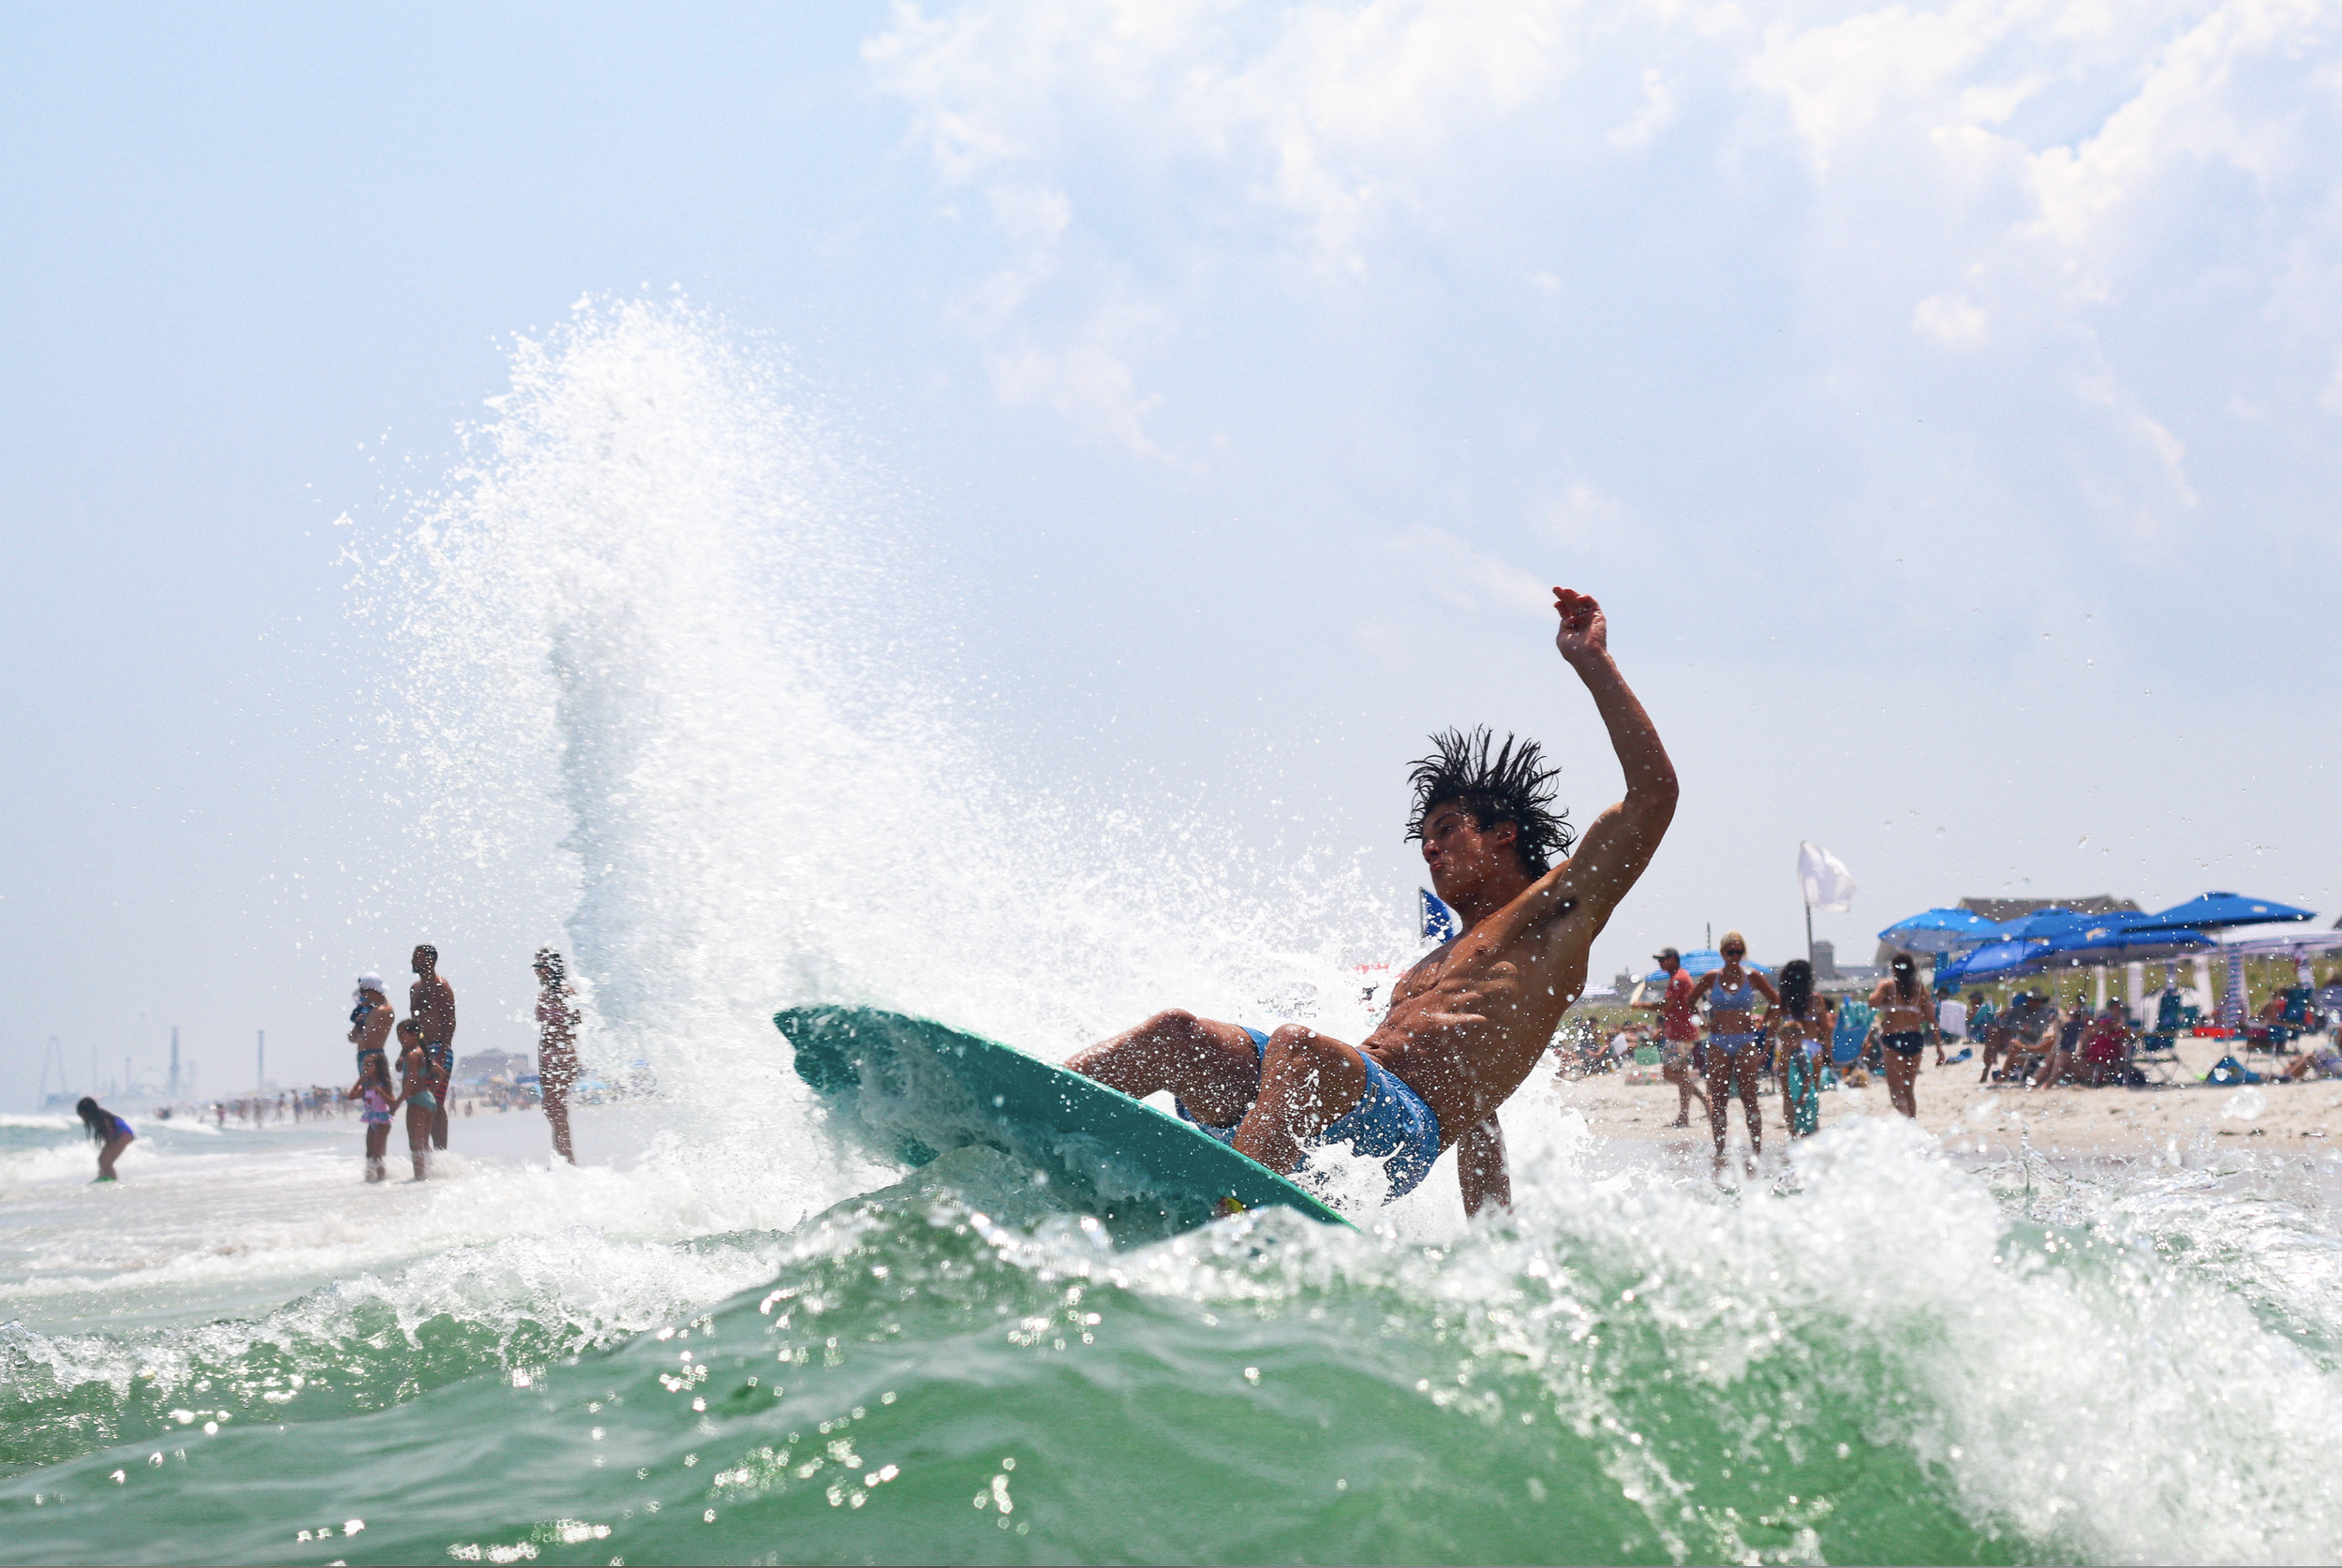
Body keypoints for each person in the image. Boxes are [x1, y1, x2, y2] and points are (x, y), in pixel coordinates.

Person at [1067, 587, 1676, 1217]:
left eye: (1447, 830)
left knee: (1300, 1045)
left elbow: (1653, 794)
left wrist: (1591, 661)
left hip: (1397, 1140)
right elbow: (1484, 1116)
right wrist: (1493, 1238)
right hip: (1317, 1118)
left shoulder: (1554, 918)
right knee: (1177, 1034)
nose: (1430, 849)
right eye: (1425, 837)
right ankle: (1033, 1112)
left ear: (1503, 835)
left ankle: (1219, 1224)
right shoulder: (1434, 966)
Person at [1690, 932, 1781, 1169]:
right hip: (1719, 1041)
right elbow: (1689, 1002)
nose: (1735, 956)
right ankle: (1720, 1151)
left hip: (1745, 1040)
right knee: (1719, 1099)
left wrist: (1763, 1023)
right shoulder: (1712, 978)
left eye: (1739, 952)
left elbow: (1776, 1001)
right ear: (1722, 953)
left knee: (1749, 1097)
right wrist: (1702, 1023)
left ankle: (1757, 1149)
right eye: (1731, 952)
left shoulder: (1752, 977)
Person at [1633, 945, 1709, 1128]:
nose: (1660, 963)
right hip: (1685, 1032)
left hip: (1679, 1034)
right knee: (1682, 1075)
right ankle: (1684, 1116)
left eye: (1663, 959)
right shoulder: (1680, 977)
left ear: (1674, 959)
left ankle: (1705, 1100)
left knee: (1669, 1073)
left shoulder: (1678, 979)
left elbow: (1666, 1005)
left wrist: (1640, 1005)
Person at [1768, 958, 1831, 1140]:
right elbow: (1825, 1028)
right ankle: (1812, 1127)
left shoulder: (1783, 1000)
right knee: (1812, 1090)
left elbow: (1773, 1027)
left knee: (1788, 1093)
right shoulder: (1815, 998)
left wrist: (1767, 1050)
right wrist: (1829, 1050)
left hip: (1788, 1049)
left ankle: (1792, 1130)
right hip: (1812, 1047)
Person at [1866, 952, 1934, 1117]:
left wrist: (1874, 993)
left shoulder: (1887, 985)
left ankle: (1905, 1126)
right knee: (1908, 1088)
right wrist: (1939, 1048)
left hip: (1894, 1038)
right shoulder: (1920, 990)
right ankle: (1911, 1122)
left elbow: (1872, 1002)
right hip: (1915, 1038)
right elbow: (1932, 1020)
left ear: (1893, 968)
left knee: (1896, 1089)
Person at [345, 972, 397, 1182]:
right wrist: (358, 1027)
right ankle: (373, 1165)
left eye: (365, 993)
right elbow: (353, 1038)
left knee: (377, 1108)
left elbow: (363, 1037)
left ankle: (377, 1164)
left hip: (373, 1056)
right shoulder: (373, 1010)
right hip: (366, 1055)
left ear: (371, 991)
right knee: (371, 1108)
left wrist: (360, 1027)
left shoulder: (382, 1010)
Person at [534, 948, 581, 1164]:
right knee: (551, 1109)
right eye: (536, 966)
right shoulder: (545, 994)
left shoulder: (566, 991)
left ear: (552, 967)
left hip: (562, 1053)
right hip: (547, 1055)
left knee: (557, 1108)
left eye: (541, 965)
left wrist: (566, 1042)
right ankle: (561, 1157)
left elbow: (578, 1019)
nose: (537, 970)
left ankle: (567, 1160)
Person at [409, 945, 458, 1151]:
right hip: (422, 1049)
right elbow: (415, 1024)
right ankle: (426, 1153)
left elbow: (450, 1021)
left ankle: (442, 1152)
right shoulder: (415, 988)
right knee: (421, 1103)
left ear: (430, 960)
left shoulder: (441, 986)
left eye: (417, 958)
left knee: (436, 1103)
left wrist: (442, 1052)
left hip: (439, 1048)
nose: (413, 961)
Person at [393, 1018, 437, 1180]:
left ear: (413, 1035)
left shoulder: (412, 1055)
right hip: (428, 1100)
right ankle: (432, 1175)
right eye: (398, 1035)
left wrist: (397, 1103)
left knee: (416, 1146)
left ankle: (420, 1178)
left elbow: (411, 1081)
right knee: (425, 1145)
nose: (399, 1039)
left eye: (402, 1035)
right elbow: (440, 1073)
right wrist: (429, 1092)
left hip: (417, 1102)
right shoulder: (422, 1052)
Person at [76, 1096, 134, 1181]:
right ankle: (104, 1178)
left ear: (85, 1112)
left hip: (124, 1135)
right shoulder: (97, 1116)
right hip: (119, 1135)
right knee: (102, 1159)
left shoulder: (101, 1117)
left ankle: (112, 1181)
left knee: (107, 1162)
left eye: (80, 1114)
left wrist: (109, 1146)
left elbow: (109, 1131)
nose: (81, 1116)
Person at [2079, 1000, 2131, 1086]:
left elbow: (2123, 1055)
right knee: (2061, 1057)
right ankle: (2049, 1081)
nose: (2104, 1026)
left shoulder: (2116, 1035)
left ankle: (2049, 1082)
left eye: (2107, 1024)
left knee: (2063, 1058)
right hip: (2090, 1065)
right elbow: (2082, 1052)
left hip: (2101, 1070)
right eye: (2103, 1024)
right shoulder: (2092, 1034)